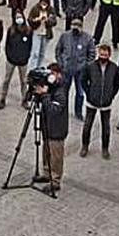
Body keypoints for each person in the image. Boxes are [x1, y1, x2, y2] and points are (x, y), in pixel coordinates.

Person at [80, 43, 119, 159]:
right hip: (92, 101)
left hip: (106, 103)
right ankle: (84, 146)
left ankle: (105, 148)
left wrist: (111, 95)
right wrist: (89, 93)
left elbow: (117, 83)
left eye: (105, 54)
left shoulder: (114, 68)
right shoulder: (90, 66)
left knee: (106, 128)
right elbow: (83, 81)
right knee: (87, 125)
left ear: (109, 55)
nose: (103, 56)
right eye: (101, 54)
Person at [37, 62, 69, 192]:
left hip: (57, 129)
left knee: (56, 156)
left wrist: (44, 95)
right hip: (47, 127)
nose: (50, 76)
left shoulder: (60, 92)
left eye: (53, 73)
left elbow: (53, 110)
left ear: (59, 75)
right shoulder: (50, 86)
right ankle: (46, 173)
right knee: (46, 152)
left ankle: (55, 180)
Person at [56, 19, 95, 121]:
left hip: (80, 71)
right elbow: (58, 50)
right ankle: (62, 110)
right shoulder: (65, 36)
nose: (75, 27)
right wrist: (61, 64)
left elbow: (92, 54)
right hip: (66, 69)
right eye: (73, 25)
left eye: (78, 25)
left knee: (80, 93)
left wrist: (85, 66)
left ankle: (78, 112)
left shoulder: (88, 38)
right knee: (64, 91)